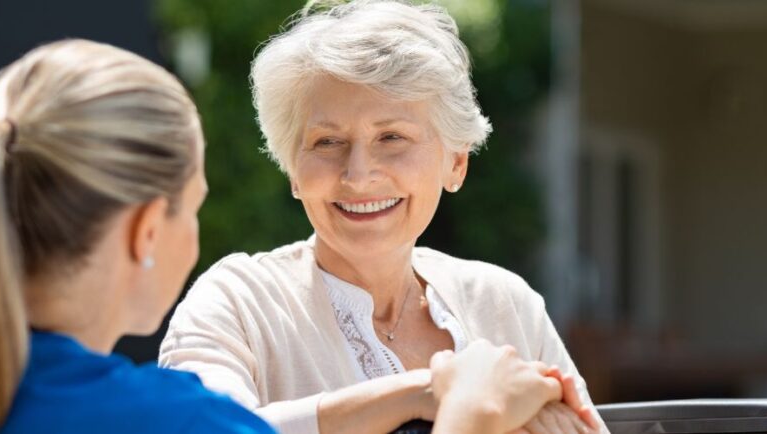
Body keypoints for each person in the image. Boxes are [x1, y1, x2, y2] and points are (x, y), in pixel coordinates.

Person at [0, 38, 569, 434]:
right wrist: (467, 415)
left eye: (393, 138)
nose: (359, 172)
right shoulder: (175, 420)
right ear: (144, 231)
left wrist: (422, 392)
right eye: (194, 207)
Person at [158, 1, 608, 434]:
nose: (357, 175)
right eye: (327, 142)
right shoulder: (238, 302)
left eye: (391, 136)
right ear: (293, 170)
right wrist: (426, 394)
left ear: (456, 163)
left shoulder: (505, 303)